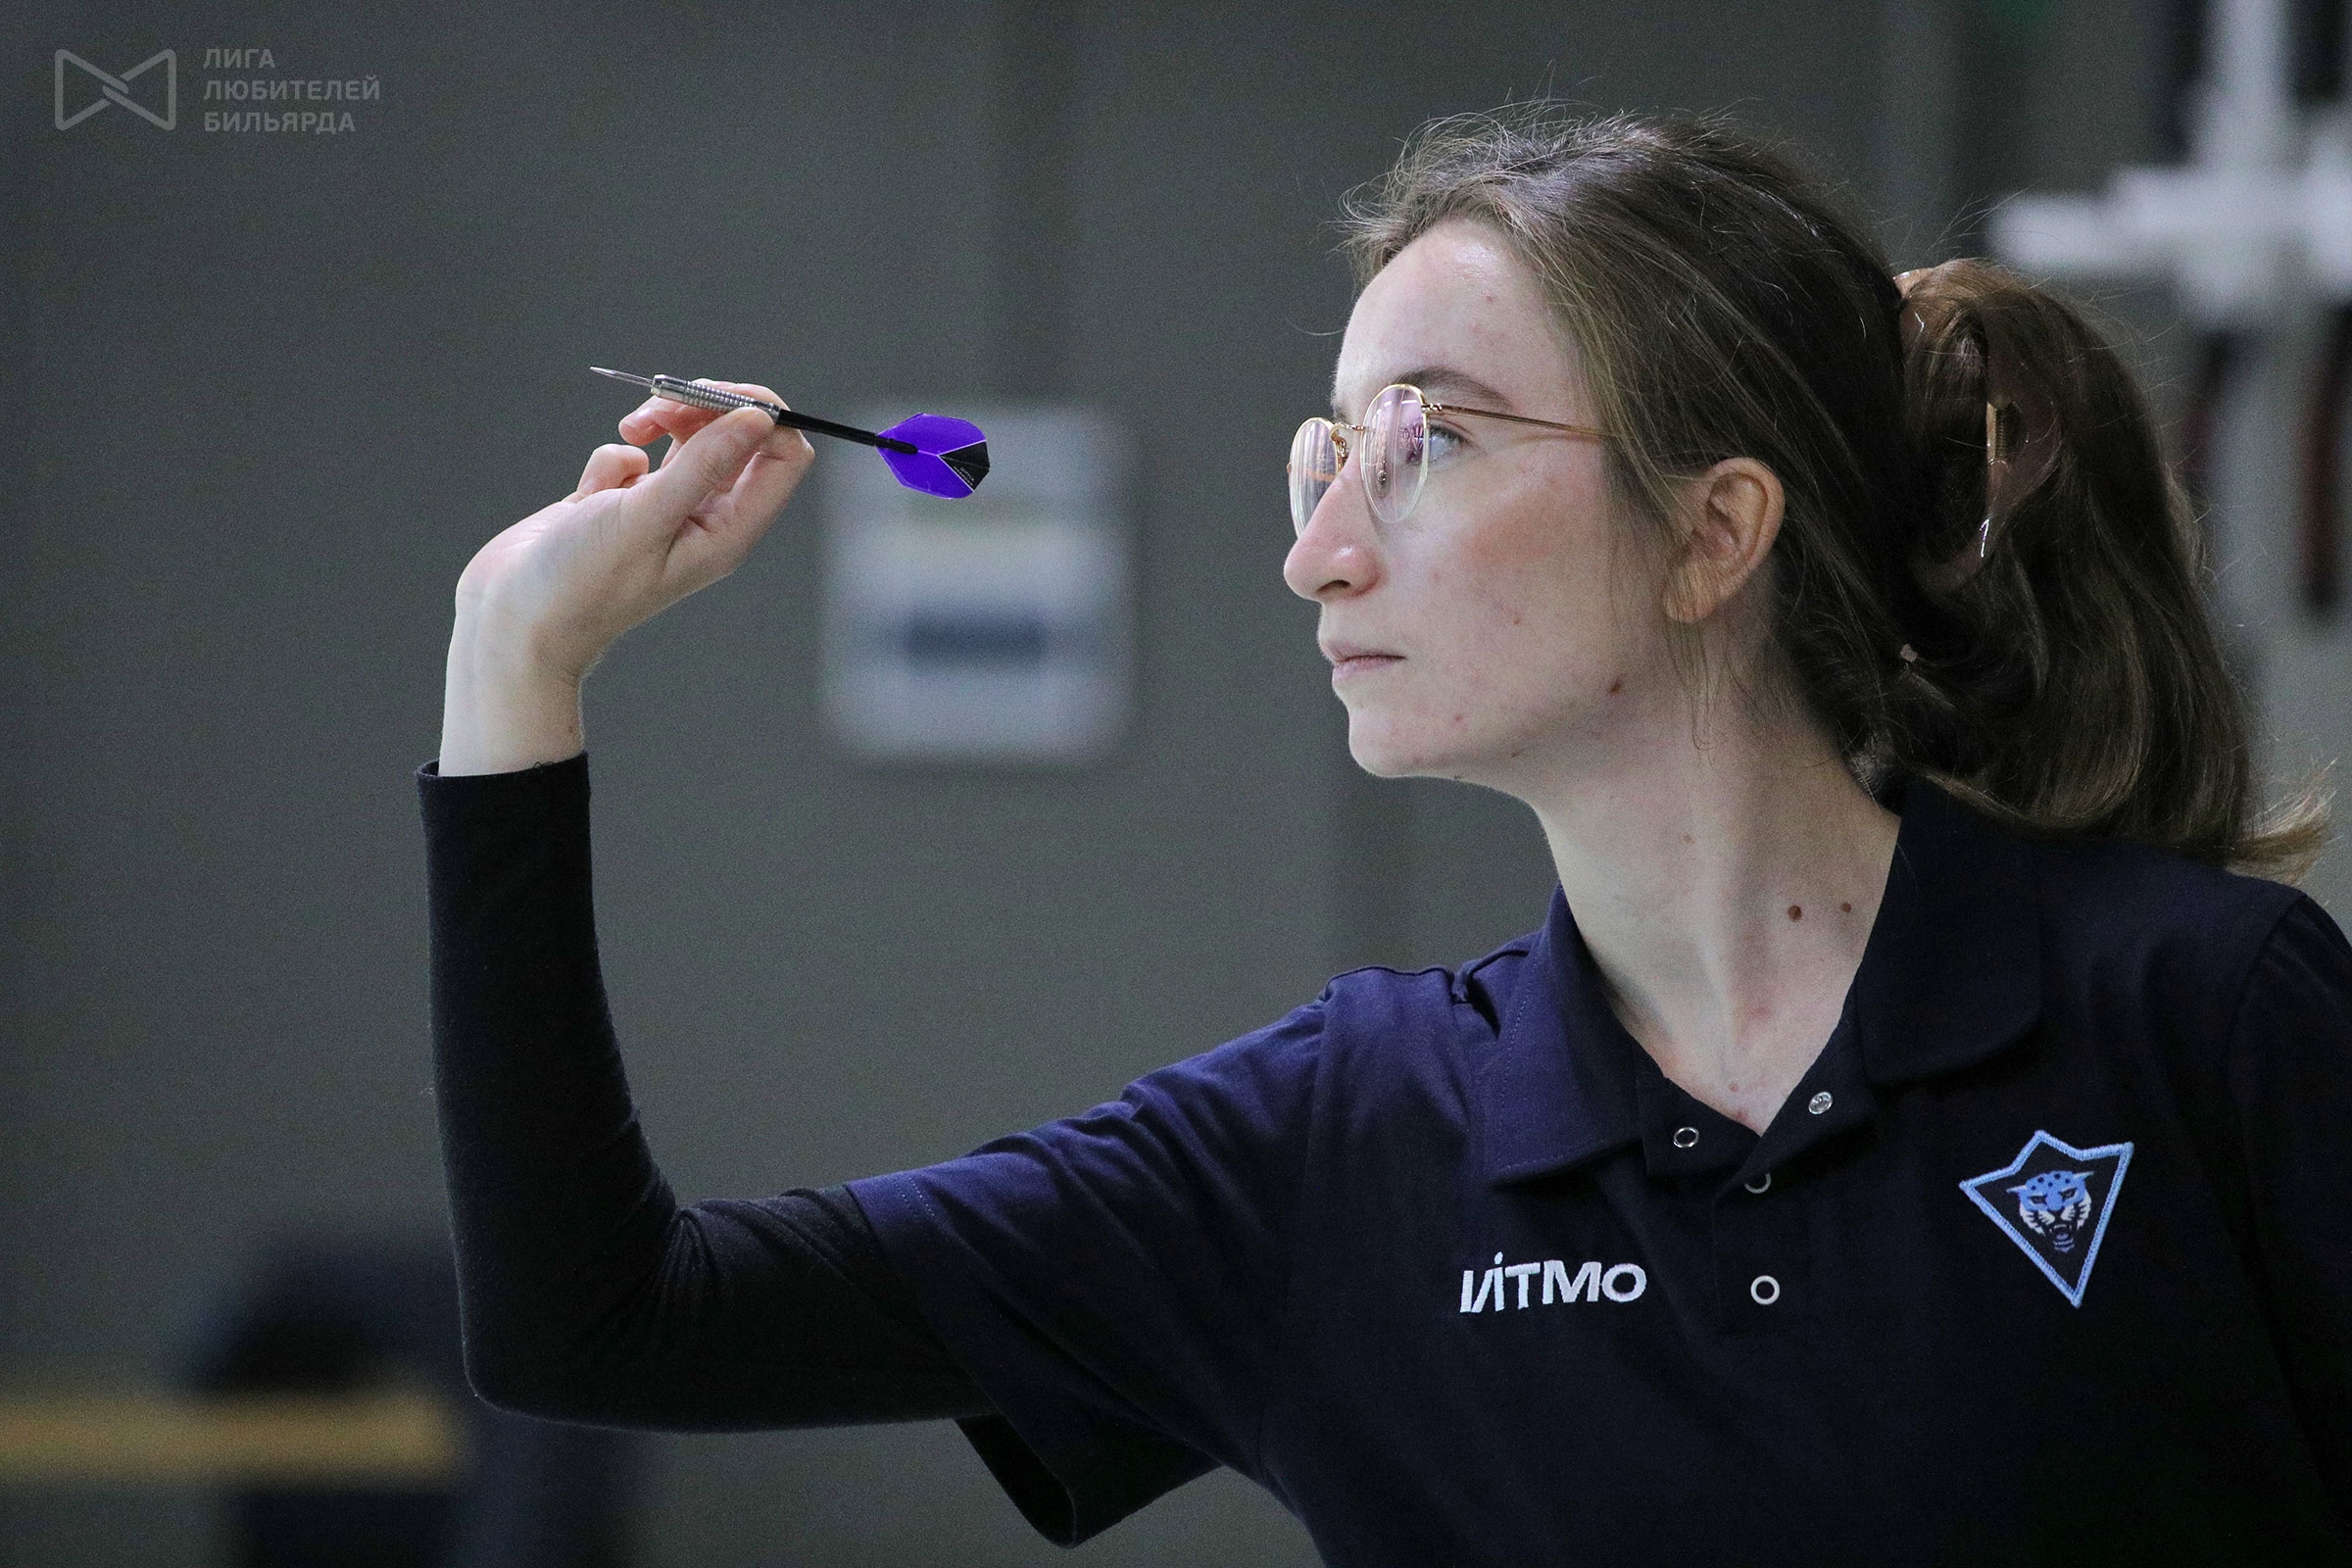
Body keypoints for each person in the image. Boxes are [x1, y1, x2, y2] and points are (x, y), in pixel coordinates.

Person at [418, 108, 2352, 1564]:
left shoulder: (2201, 1018)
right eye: (1328, 455)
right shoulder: (1339, 1148)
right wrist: (513, 662)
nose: (1322, 551)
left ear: (1714, 530)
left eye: (1428, 439)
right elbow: (606, 1323)